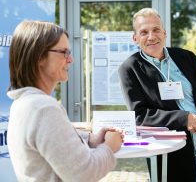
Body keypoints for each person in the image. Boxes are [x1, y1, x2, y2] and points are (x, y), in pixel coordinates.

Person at [7, 20, 123, 182]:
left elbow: (54, 145)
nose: (71, 60)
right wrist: (109, 147)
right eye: (64, 52)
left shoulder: (24, 103)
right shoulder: (43, 108)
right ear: (39, 57)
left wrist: (90, 140)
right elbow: (84, 174)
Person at [118, 8, 196, 182]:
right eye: (144, 32)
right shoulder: (130, 69)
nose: (151, 36)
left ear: (164, 33)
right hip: (171, 160)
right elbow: (140, 116)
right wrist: (183, 119)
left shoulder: (187, 57)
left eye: (156, 30)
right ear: (135, 38)